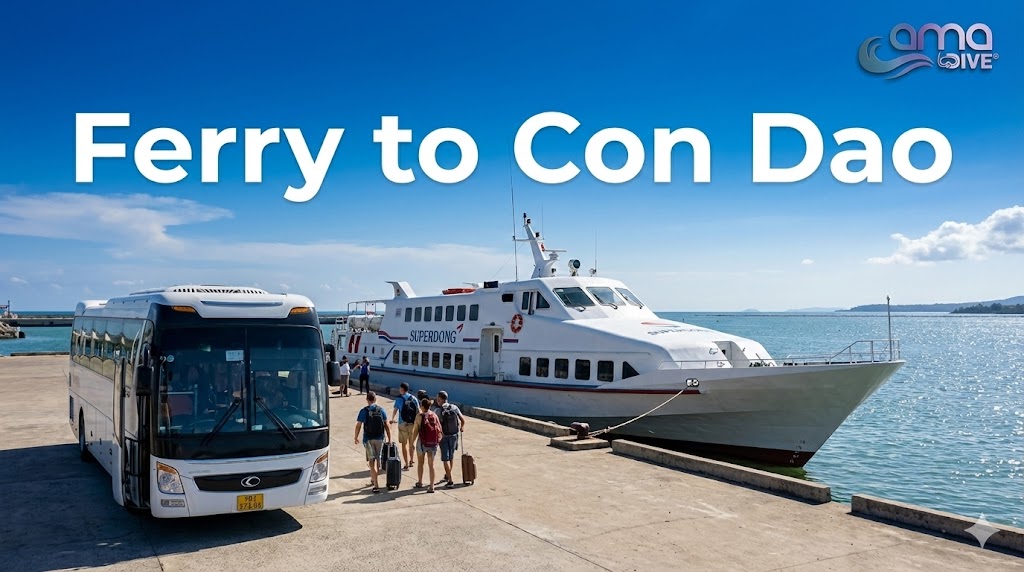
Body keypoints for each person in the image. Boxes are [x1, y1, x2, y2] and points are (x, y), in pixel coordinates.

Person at [353, 391, 392, 493]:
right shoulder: (381, 410)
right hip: (380, 438)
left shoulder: (364, 411)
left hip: (368, 439)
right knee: (378, 459)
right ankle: (374, 478)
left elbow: (358, 425)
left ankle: (376, 484)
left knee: (371, 461)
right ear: (375, 399)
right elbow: (387, 425)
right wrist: (390, 438)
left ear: (367, 400)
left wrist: (356, 437)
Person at [432, 390, 465, 488]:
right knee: (451, 456)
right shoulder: (454, 408)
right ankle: (448, 475)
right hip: (454, 435)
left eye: (438, 399)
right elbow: (463, 420)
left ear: (441, 399)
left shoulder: (438, 411)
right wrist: (462, 427)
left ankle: (450, 481)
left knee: (445, 458)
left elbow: (435, 424)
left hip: (444, 436)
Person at [411, 397, 442, 493]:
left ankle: (420, 482)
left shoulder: (419, 416)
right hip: (432, 443)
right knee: (431, 465)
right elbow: (439, 429)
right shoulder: (434, 415)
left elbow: (415, 430)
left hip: (422, 442)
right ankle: (432, 486)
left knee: (420, 463)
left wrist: (412, 442)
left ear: (422, 406)